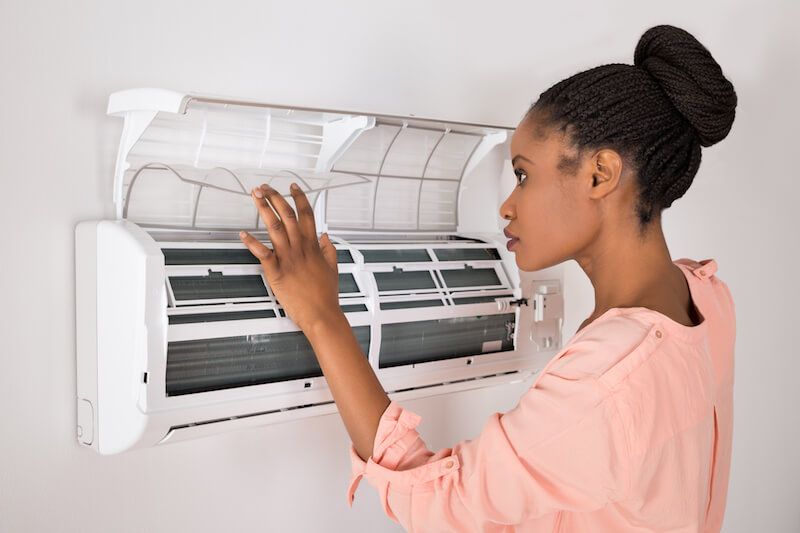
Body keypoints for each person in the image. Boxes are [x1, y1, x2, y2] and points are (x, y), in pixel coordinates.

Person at [238, 23, 737, 533]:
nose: (507, 204)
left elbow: (439, 502)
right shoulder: (706, 300)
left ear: (599, 174)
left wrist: (324, 318)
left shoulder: (603, 383)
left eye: (523, 174)